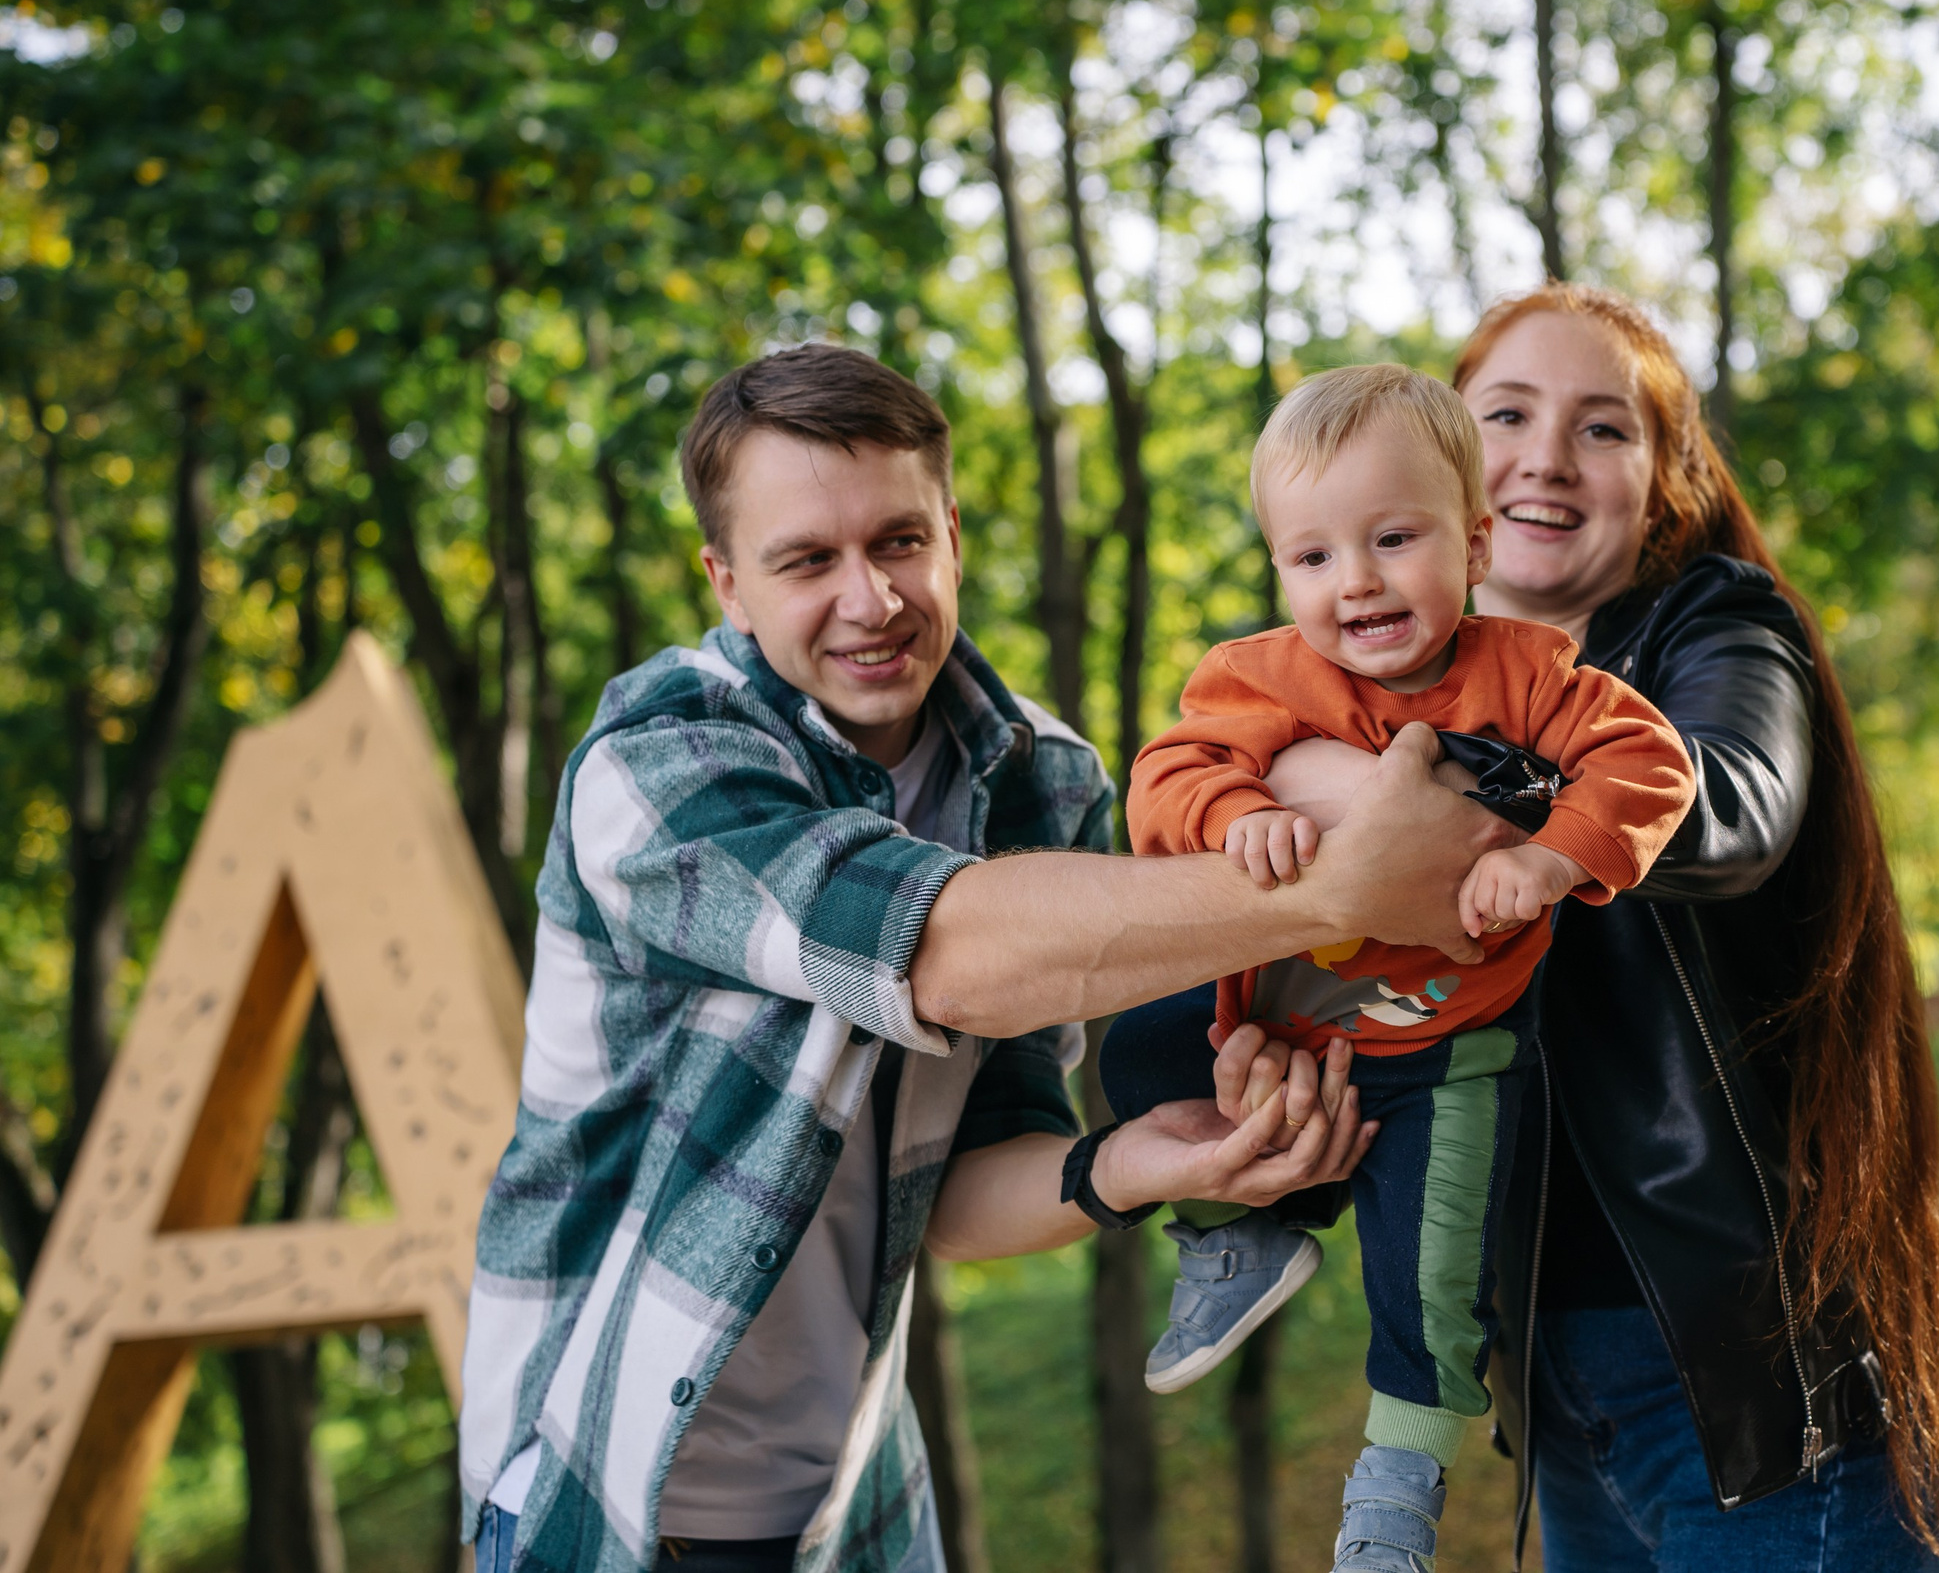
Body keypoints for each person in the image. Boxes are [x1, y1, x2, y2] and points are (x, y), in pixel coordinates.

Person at [458, 345, 1519, 1573]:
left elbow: (963, 1192)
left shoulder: (1040, 779)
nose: (871, 598)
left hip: (853, 1512)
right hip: (601, 1499)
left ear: (952, 538)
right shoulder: (659, 762)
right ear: (728, 584)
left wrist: (1140, 1159)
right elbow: (940, 954)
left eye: (899, 540)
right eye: (807, 560)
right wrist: (1343, 886)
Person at [1256, 287, 1939, 1571]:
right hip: (1548, 1378)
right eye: (1507, 415)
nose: (1546, 455)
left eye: (1602, 428)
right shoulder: (1357, 685)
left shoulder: (1717, 621)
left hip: (1741, 1360)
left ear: (1662, 486)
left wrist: (1441, 783)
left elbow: (1734, 803)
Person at [1101, 365, 1694, 1572]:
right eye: (1312, 555)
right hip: (1281, 1027)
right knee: (1139, 1052)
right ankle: (1227, 1234)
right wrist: (1233, 814)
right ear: (1280, 570)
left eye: (1392, 538)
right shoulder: (1259, 678)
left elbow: (1650, 761)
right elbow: (1165, 776)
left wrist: (1548, 856)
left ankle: (1395, 1490)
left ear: (1472, 543)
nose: (1356, 580)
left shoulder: (1528, 674)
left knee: (1435, 1274)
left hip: (1447, 1049)